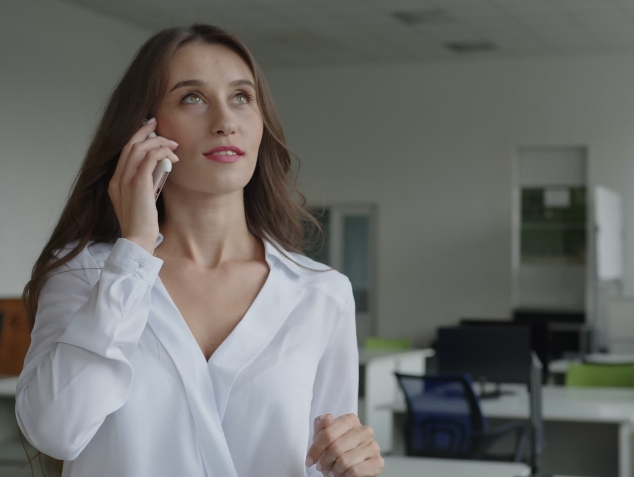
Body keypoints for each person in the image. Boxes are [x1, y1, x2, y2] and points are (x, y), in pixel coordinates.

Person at [16, 24, 384, 477]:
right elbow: (54, 431)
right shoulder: (84, 275)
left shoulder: (322, 294)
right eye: (192, 97)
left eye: (242, 97)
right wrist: (132, 252)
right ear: (144, 130)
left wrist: (352, 467)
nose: (225, 121)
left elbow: (320, 461)